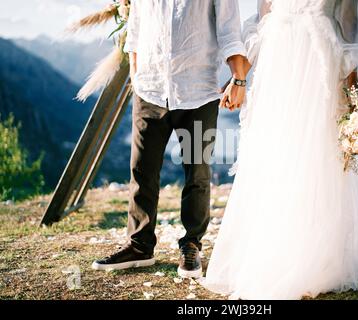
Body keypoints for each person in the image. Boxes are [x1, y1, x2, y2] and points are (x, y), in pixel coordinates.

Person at [203, 0, 358, 299]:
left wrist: (352, 93)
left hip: (320, 63)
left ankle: (316, 254)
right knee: (276, 155)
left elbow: (350, 26)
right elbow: (261, 20)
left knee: (317, 156)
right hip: (277, 66)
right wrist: (239, 78)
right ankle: (275, 246)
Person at [92, 0, 248, 279]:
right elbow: (136, 32)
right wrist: (137, 80)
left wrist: (238, 79)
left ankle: (191, 244)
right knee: (142, 169)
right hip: (149, 91)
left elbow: (229, 32)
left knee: (196, 172)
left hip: (197, 92)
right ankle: (140, 246)